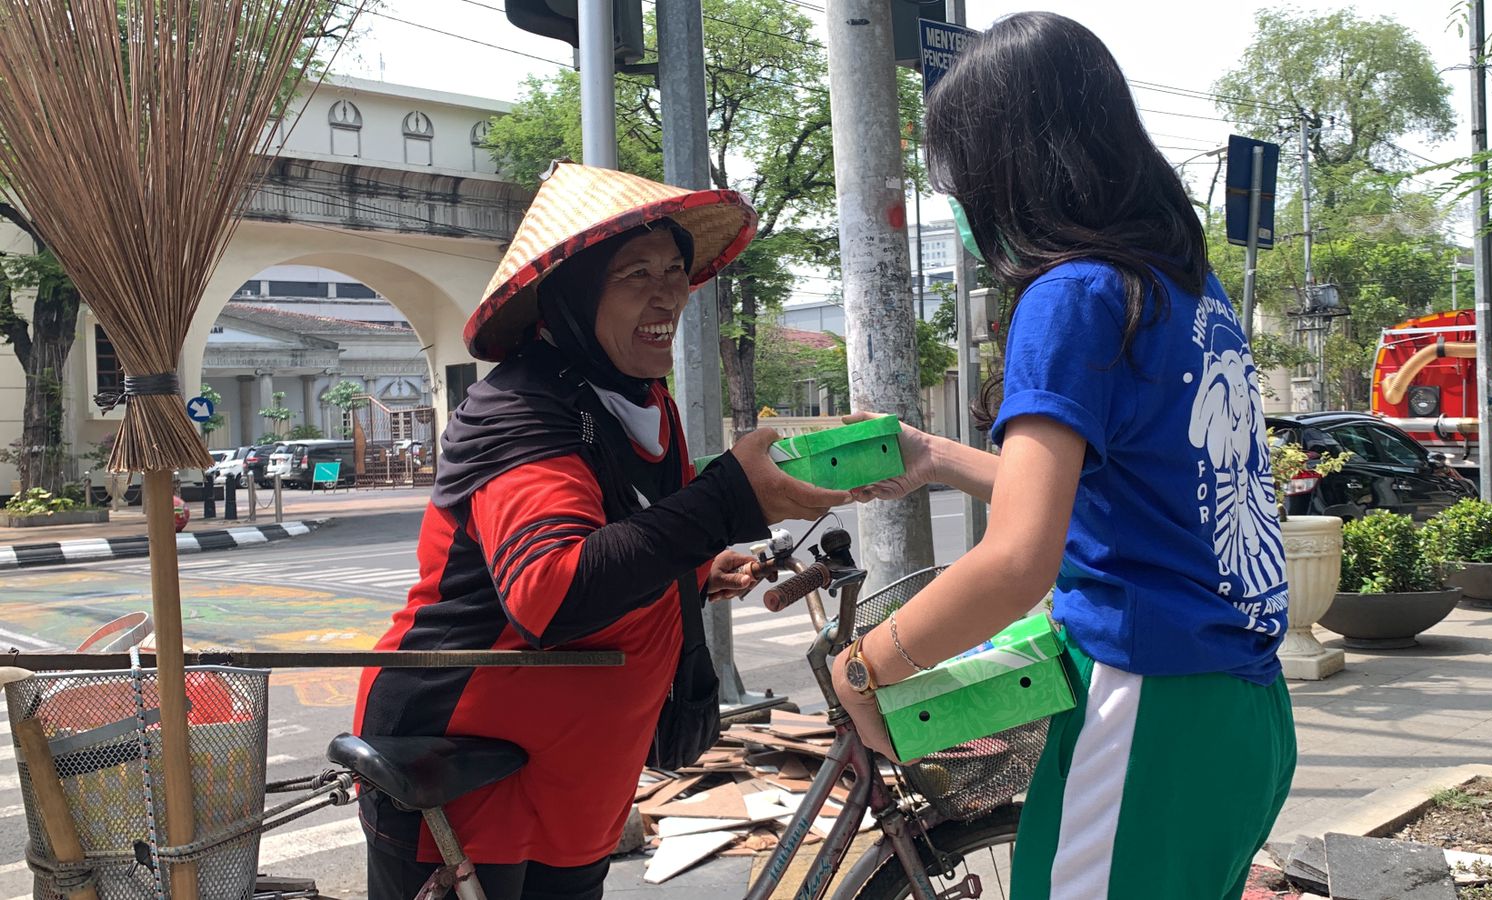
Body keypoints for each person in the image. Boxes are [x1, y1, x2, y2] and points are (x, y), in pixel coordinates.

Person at [833, 13, 1297, 900]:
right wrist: (936, 458)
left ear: (1004, 168)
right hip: (1241, 711)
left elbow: (1015, 561)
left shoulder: (1070, 295)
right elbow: (1140, 494)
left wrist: (870, 666)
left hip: (1147, 706)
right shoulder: (1184, 289)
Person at [354, 161, 850, 900]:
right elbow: (549, 594)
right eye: (635, 273)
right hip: (462, 769)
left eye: (676, 270)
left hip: (580, 773)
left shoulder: (646, 402)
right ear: (574, 292)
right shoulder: (518, 410)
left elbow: (626, 543)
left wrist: (695, 572)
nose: (667, 293)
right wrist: (727, 501)